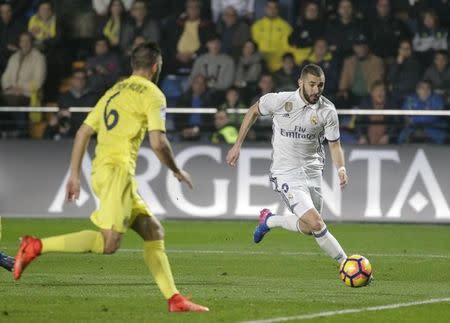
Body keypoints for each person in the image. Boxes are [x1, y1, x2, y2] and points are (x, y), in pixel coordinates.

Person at [12, 41, 209, 313]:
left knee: (153, 231)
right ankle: (35, 245)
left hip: (104, 169)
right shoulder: (153, 94)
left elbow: (82, 132)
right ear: (155, 67)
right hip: (117, 172)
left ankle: (174, 299)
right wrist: (177, 170)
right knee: (109, 243)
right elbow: (159, 143)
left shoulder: (113, 91)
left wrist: (74, 175)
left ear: (133, 65)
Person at [226, 64, 348, 266]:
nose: (316, 90)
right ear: (300, 83)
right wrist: (237, 145)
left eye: (320, 85)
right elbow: (253, 111)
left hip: (313, 171)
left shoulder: (328, 111)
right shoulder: (281, 101)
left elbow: (335, 145)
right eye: (312, 85)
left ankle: (269, 220)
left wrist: (341, 169)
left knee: (309, 227)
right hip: (286, 172)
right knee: (317, 223)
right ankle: (347, 263)